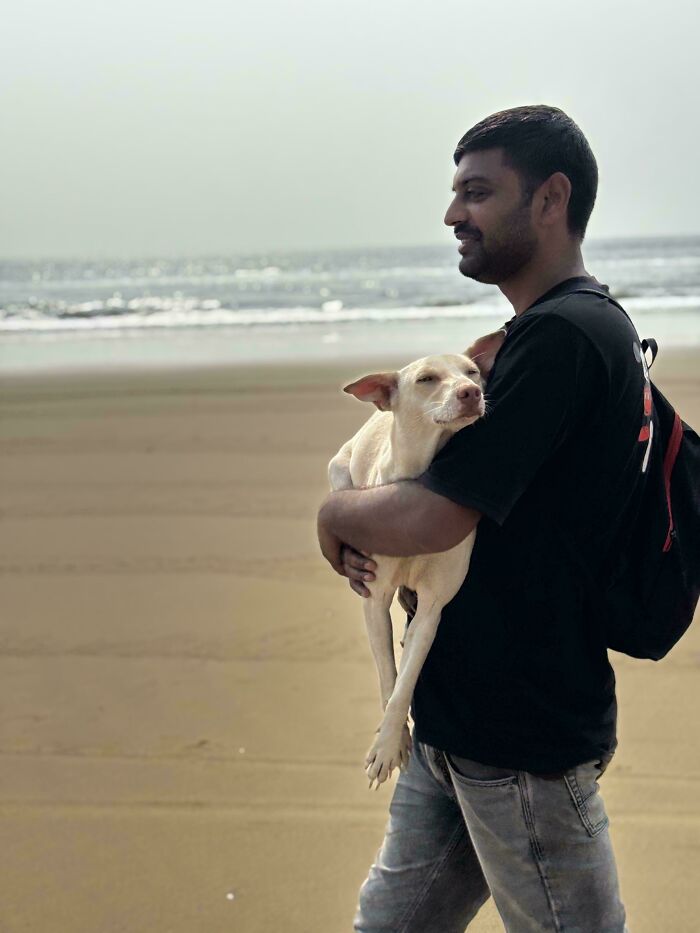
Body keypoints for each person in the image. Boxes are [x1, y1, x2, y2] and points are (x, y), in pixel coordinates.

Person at [317, 105, 640, 932]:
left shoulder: (564, 340)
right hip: (451, 725)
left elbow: (431, 515)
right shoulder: (534, 339)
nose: (453, 213)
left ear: (550, 199)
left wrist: (334, 512)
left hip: (522, 743)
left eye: (478, 192)